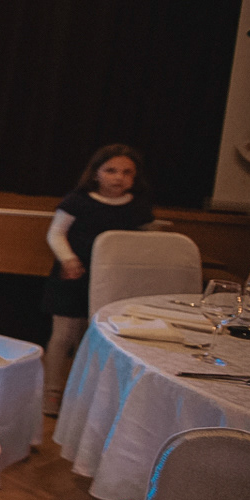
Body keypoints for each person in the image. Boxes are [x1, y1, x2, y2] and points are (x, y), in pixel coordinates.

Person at [40, 144, 153, 415]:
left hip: (113, 284)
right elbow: (56, 233)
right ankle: (51, 393)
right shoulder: (77, 201)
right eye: (111, 170)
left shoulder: (138, 207)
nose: (118, 177)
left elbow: (147, 244)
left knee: (95, 340)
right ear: (95, 173)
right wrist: (68, 259)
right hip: (74, 278)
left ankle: (85, 396)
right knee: (63, 337)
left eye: (126, 172)